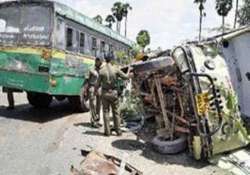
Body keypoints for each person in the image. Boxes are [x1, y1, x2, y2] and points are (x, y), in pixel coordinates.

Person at [97, 53, 132, 136]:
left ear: (105, 60)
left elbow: (97, 84)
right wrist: (129, 70)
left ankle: (107, 132)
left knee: (105, 112)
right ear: (111, 59)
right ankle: (118, 131)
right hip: (114, 93)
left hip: (105, 93)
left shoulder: (101, 71)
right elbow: (126, 77)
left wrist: (96, 91)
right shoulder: (115, 69)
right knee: (116, 112)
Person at [85, 57, 103, 128]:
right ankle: (93, 121)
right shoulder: (91, 69)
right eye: (99, 61)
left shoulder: (102, 70)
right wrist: (85, 90)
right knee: (93, 105)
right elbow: (86, 80)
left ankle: (97, 120)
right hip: (92, 88)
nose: (100, 63)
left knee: (99, 105)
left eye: (101, 62)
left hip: (99, 89)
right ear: (96, 61)